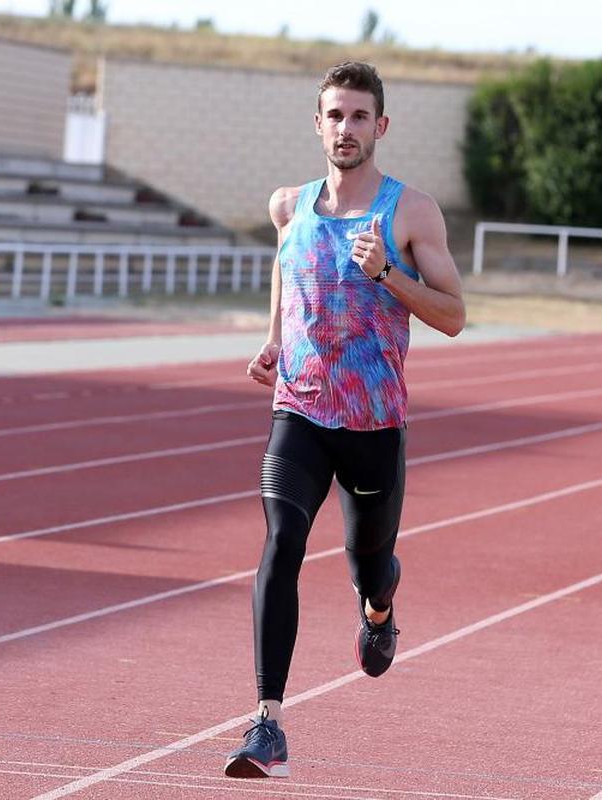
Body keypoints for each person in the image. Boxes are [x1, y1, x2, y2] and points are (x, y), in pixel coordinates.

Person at [224, 61, 466, 780]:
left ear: (380, 127)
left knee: (369, 565)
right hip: (299, 409)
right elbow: (284, 262)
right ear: (318, 123)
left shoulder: (410, 213)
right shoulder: (288, 206)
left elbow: (454, 315)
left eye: (360, 116)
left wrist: (388, 274)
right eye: (335, 115)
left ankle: (379, 610)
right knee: (281, 543)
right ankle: (267, 722)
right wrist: (273, 335)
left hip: (372, 426)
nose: (346, 128)